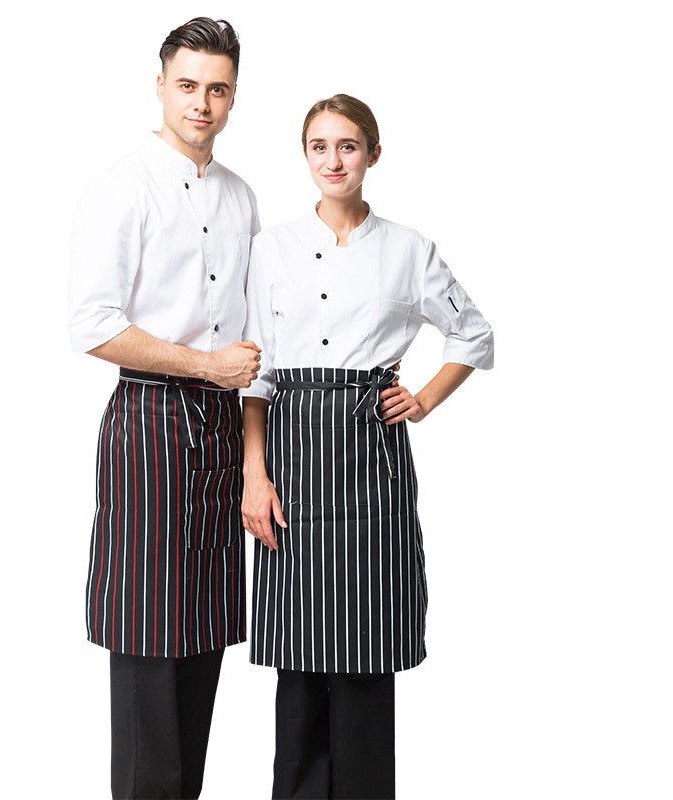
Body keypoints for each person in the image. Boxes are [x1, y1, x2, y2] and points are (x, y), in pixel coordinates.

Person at [240, 94, 494, 799]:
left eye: (347, 146)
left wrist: (425, 398)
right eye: (319, 146)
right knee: (299, 658)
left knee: (365, 644)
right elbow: (256, 370)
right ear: (305, 156)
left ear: (373, 155)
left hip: (369, 457)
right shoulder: (270, 247)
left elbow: (473, 333)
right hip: (291, 451)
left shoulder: (409, 249)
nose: (333, 160)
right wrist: (254, 473)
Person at [68, 17, 261, 800]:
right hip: (149, 420)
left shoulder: (242, 196)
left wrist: (256, 456)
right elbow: (92, 325)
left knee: (204, 634)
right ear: (159, 87)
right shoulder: (122, 187)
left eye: (217, 89)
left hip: (223, 426)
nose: (201, 104)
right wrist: (205, 364)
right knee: (147, 636)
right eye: (187, 86)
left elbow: (258, 329)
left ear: (233, 96)